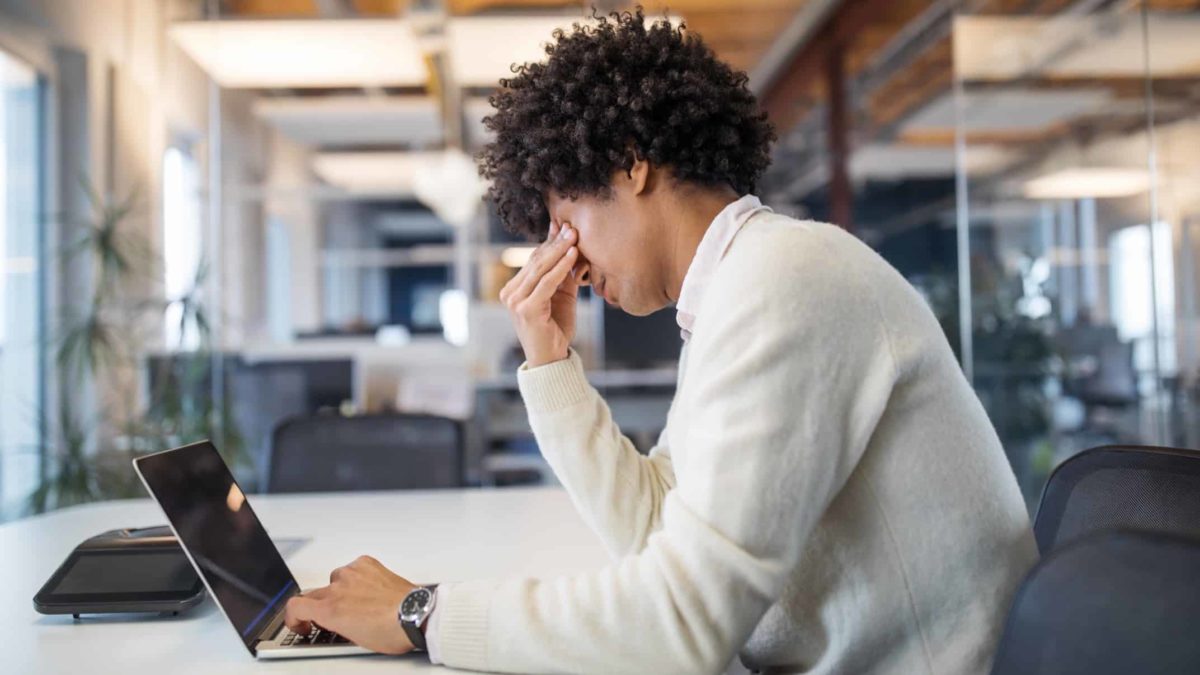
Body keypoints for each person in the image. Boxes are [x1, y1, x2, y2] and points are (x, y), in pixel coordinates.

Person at [284, 9, 1037, 673]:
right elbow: (655, 531)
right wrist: (551, 365)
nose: (565, 257)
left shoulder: (787, 278)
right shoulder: (740, 289)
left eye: (564, 216)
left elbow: (681, 627)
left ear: (631, 163)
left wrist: (423, 613)